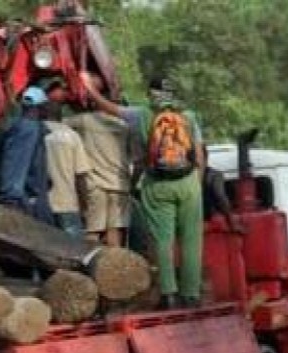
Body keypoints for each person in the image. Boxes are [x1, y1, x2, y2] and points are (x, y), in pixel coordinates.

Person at [81, 73, 205, 309]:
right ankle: (191, 294)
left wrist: (89, 88)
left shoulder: (140, 114)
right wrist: (195, 183)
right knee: (191, 240)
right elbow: (199, 157)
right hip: (188, 183)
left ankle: (169, 294)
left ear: (151, 94)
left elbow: (107, 107)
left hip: (157, 184)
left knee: (162, 241)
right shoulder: (189, 117)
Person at [65, 74, 134, 246]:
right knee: (115, 231)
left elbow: (56, 124)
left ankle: (91, 266)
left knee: (93, 230)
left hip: (96, 185)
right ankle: (115, 268)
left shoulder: (85, 120)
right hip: (120, 184)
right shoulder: (125, 126)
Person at [0, 86, 53, 224]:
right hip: (26, 202)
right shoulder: (27, 129)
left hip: (34, 198)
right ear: (40, 106)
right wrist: (11, 200)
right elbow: (16, 165)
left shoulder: (31, 128)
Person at [43, 82, 91, 237]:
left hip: (41, 204)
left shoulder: (36, 133)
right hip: (67, 204)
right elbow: (81, 175)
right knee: (74, 253)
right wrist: (85, 205)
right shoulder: (72, 136)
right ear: (61, 116)